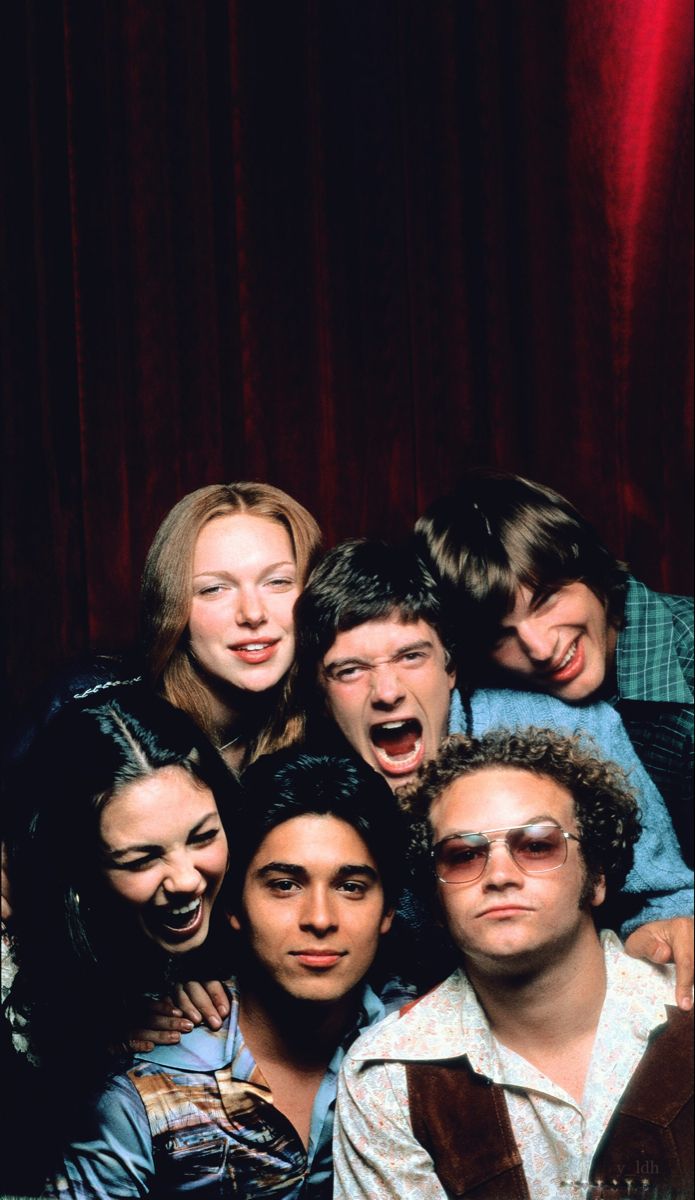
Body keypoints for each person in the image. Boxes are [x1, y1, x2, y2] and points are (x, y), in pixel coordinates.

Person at [294, 538, 694, 1004]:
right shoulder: (316, 792)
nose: (386, 692)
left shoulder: (569, 730)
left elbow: (665, 894)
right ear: (321, 695)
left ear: (450, 667)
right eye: (349, 670)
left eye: (411, 656)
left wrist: (659, 932)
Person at [333, 729, 693, 1200]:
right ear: (436, 897)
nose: (500, 875)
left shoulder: (684, 1000)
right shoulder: (386, 1075)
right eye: (463, 855)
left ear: (598, 876)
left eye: (538, 845)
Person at [41, 750, 413, 1199]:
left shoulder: (423, 1052)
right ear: (233, 903)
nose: (320, 918)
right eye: (284, 885)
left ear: (388, 908)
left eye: (350, 886)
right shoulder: (144, 1086)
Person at [1, 683, 242, 1195]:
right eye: (141, 859)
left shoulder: (254, 892)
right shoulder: (17, 941)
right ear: (78, 866)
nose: (186, 879)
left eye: (203, 837)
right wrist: (88, 1038)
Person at [414, 469, 694, 863]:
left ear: (591, 570)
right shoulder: (495, 703)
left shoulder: (687, 665)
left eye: (546, 601)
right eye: (500, 635)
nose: (540, 648)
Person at [7, 481, 322, 776]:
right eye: (214, 589)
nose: (253, 613)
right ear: (172, 606)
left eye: (277, 582)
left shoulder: (335, 716)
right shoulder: (88, 707)